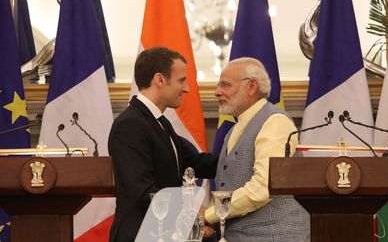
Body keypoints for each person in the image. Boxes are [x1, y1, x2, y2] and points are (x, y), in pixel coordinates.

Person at [108, 47, 218, 242]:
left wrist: (246, 158)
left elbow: (195, 162)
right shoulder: (130, 125)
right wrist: (192, 212)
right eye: (181, 80)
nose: (187, 88)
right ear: (159, 80)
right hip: (141, 235)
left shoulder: (159, 122)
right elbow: (142, 193)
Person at [204, 57, 310, 241]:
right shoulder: (235, 129)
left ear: (251, 86)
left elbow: (263, 187)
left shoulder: (275, 122)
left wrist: (209, 215)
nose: (217, 92)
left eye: (225, 85)